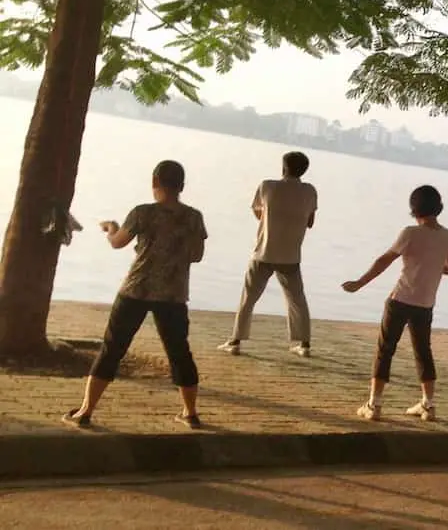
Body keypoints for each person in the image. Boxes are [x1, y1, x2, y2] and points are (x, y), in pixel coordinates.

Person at [63, 160, 207, 429]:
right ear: (182, 186)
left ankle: (85, 411)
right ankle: (190, 413)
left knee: (112, 349)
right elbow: (197, 256)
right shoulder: (194, 217)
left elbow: (117, 243)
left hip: (136, 289)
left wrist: (110, 228)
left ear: (154, 182)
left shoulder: (142, 213)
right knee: (179, 353)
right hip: (173, 294)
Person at [342, 185, 448, 421]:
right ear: (439, 207)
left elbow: (384, 260)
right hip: (425, 303)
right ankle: (428, 405)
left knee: (385, 350)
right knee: (423, 352)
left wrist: (359, 283)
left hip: (401, 299)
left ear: (414, 209)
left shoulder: (410, 233)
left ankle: (374, 405)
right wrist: (433, 266)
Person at [218, 152, 317, 358]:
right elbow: (310, 222)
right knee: (297, 300)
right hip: (291, 255)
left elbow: (258, 213)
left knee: (248, 298)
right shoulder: (309, 191)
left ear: (283, 167)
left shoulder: (268, 186)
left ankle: (235, 341)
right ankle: (304, 345)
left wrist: (271, 218)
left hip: (264, 252)